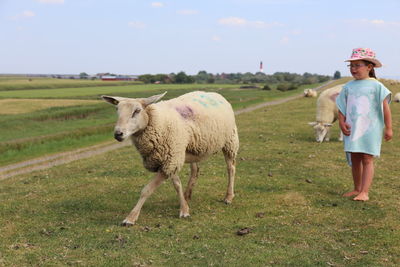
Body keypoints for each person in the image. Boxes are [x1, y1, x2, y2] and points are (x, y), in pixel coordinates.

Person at [336, 48, 392, 201]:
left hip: (370, 129)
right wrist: (341, 122)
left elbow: (385, 108)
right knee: (355, 158)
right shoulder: (348, 86)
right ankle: (356, 189)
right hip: (353, 128)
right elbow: (341, 106)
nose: (353, 69)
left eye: (357, 65)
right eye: (351, 66)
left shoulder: (377, 86)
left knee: (367, 158)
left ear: (369, 67)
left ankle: (365, 192)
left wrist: (389, 128)